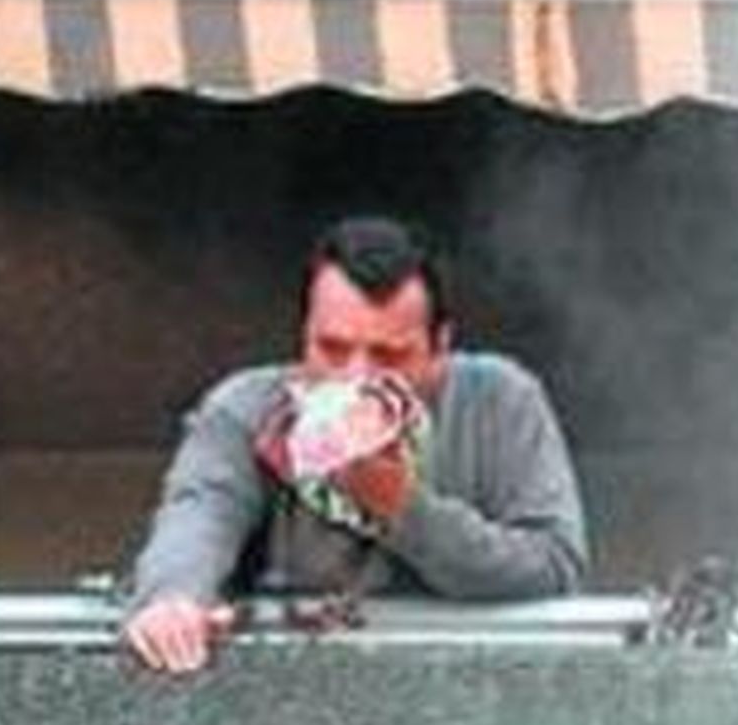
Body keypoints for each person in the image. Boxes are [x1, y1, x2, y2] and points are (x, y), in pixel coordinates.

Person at [123, 215, 588, 674]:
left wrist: (401, 508)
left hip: (464, 692)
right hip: (296, 694)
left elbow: (554, 567)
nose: (356, 379)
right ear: (303, 337)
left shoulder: (501, 401)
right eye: (332, 350)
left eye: (389, 356)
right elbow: (199, 516)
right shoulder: (245, 409)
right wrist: (175, 599)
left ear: (440, 348)